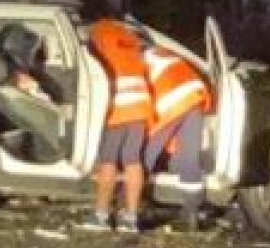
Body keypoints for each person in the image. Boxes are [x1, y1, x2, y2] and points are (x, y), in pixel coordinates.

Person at [81, 16, 153, 233]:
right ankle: (130, 219)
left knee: (109, 159)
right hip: (140, 102)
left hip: (118, 103)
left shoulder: (96, 33)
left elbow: (89, 67)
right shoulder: (128, 34)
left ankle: (101, 216)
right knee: (133, 160)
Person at [142, 44, 212, 229]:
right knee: (190, 159)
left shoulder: (141, 60)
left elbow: (145, 103)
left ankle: (134, 207)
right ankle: (191, 214)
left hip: (172, 100)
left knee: (147, 154)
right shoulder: (165, 52)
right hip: (195, 96)